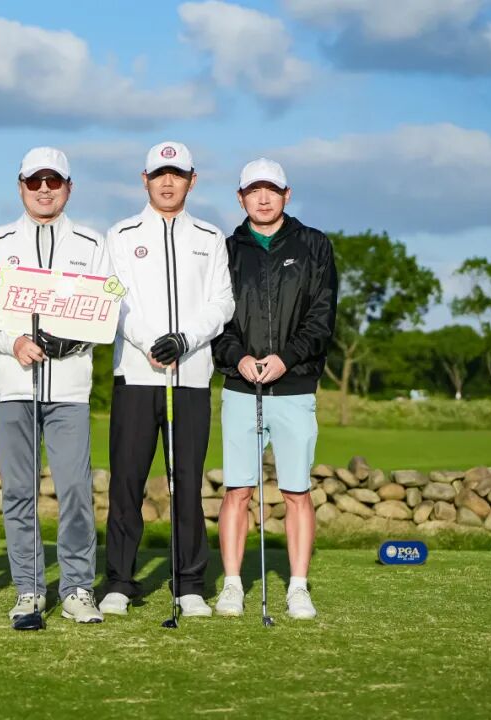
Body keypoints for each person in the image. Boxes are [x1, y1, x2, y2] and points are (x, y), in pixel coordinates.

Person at [100, 141, 235, 618]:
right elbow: (112, 297)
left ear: (192, 180)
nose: (168, 181)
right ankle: (119, 580)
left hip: (191, 378)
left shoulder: (209, 236)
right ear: (145, 179)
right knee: (126, 483)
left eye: (177, 174)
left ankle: (189, 584)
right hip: (137, 376)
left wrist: (185, 339)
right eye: (159, 174)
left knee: (187, 483)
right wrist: (149, 341)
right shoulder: (120, 234)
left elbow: (222, 302)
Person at [0, 147, 111, 624]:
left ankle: (77, 588)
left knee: (75, 490)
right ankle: (30, 589)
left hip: (70, 388)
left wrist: (75, 338)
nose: (43, 189)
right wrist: (12, 341)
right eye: (34, 181)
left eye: (53, 181)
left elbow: (111, 301)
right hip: (12, 385)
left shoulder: (92, 243)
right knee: (19, 492)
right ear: (21, 186)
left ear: (68, 188)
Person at [211, 158, 338, 620]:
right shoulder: (226, 249)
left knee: (296, 491)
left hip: (295, 386)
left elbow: (321, 316)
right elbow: (216, 318)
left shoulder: (313, 245)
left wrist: (286, 357)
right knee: (237, 490)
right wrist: (237, 357)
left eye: (271, 190)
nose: (262, 198)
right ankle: (231, 585)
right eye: (253, 190)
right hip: (240, 387)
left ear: (287, 194)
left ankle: (298, 587)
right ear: (240, 197)